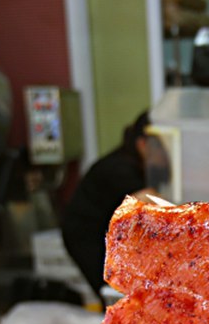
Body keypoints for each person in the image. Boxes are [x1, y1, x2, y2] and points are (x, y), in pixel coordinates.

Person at [61, 110, 172, 298]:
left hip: (105, 232)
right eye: (163, 149)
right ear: (143, 145)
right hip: (86, 234)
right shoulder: (120, 169)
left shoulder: (140, 165)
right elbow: (150, 201)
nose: (167, 156)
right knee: (113, 290)